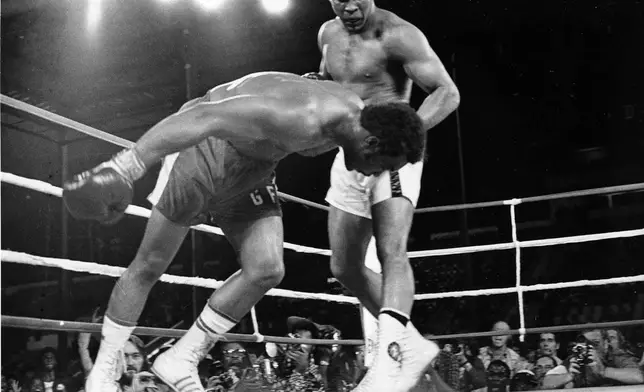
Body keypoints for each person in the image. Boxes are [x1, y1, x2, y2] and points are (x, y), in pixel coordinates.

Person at [62, 71, 426, 392]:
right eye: (381, 167)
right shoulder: (301, 116)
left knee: (267, 267)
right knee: (150, 265)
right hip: (205, 152)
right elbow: (204, 115)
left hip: (255, 169)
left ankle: (182, 357)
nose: (372, 175)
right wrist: (128, 165)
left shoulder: (352, 118)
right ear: (373, 143)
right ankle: (103, 375)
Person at [312, 0, 461, 390]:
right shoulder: (327, 34)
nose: (348, 6)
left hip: (394, 154)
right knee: (343, 267)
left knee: (390, 250)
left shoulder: (397, 34)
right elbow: (333, 85)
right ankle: (412, 346)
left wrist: (404, 135)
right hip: (351, 153)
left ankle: (390, 359)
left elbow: (447, 92)